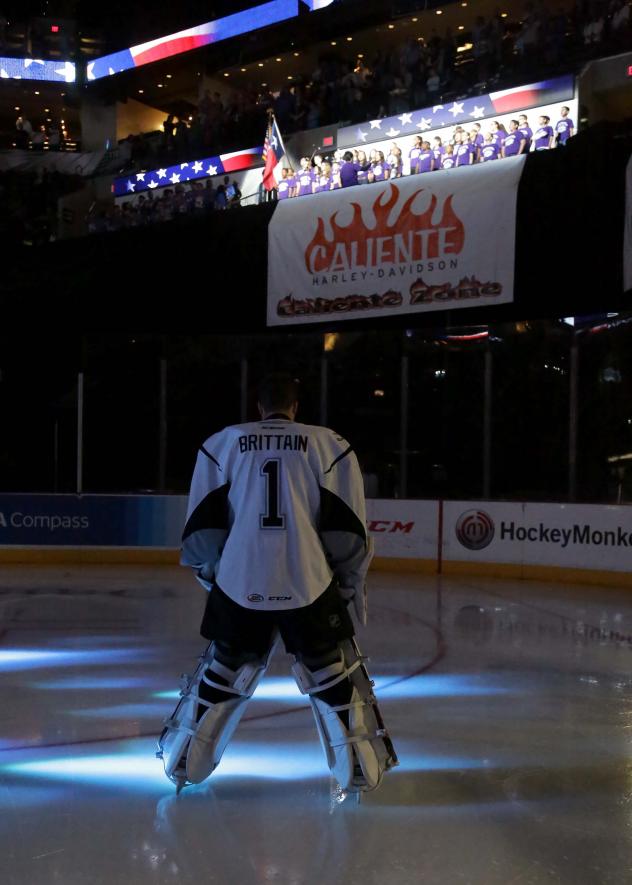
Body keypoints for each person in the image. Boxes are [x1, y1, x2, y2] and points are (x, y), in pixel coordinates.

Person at [157, 373, 396, 795]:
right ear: (296, 407)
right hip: (309, 579)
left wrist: (218, 576)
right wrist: (342, 584)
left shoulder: (222, 444)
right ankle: (358, 770)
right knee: (329, 671)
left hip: (238, 580)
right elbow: (348, 533)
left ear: (258, 407)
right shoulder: (329, 445)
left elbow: (201, 532)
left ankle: (183, 764)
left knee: (226, 668)